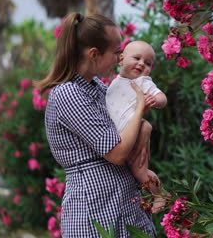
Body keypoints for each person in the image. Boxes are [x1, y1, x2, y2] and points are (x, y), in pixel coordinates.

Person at [38, 12, 156, 238]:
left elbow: (126, 131)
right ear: (94, 54)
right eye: (117, 52)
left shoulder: (99, 87)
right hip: (95, 211)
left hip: (122, 205)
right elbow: (117, 153)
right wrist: (140, 106)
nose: (121, 58)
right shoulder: (68, 93)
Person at [106, 40, 167, 214]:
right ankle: (154, 189)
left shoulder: (143, 82)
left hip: (135, 131)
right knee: (140, 168)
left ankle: (159, 195)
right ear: (121, 59)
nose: (141, 64)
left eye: (147, 63)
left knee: (138, 170)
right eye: (137, 58)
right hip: (124, 134)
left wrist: (156, 100)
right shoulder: (114, 83)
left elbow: (161, 97)